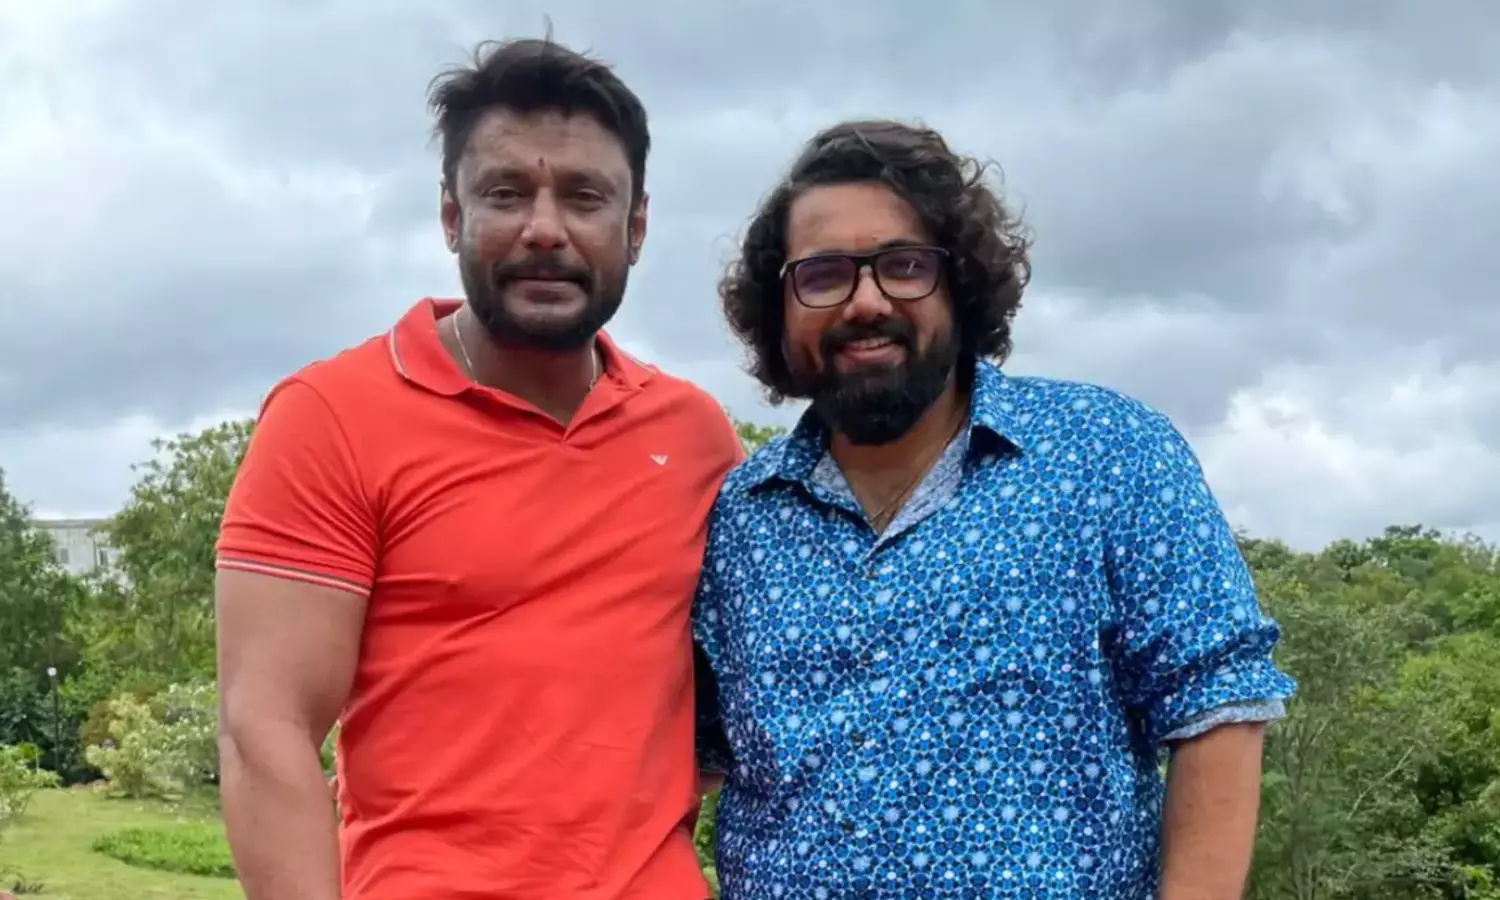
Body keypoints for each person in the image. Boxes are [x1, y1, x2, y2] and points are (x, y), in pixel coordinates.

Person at [692, 120, 1298, 900]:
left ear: (960, 283)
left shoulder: (1109, 453)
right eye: (823, 274)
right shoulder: (738, 518)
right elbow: (690, 758)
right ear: (778, 306)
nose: (866, 301)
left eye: (905, 266)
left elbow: (1217, 701)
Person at [214, 38, 740, 900]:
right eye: (505, 193)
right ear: (451, 217)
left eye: (585, 197)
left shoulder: (694, 435)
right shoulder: (330, 417)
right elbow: (263, 728)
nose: (545, 228)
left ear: (636, 227)